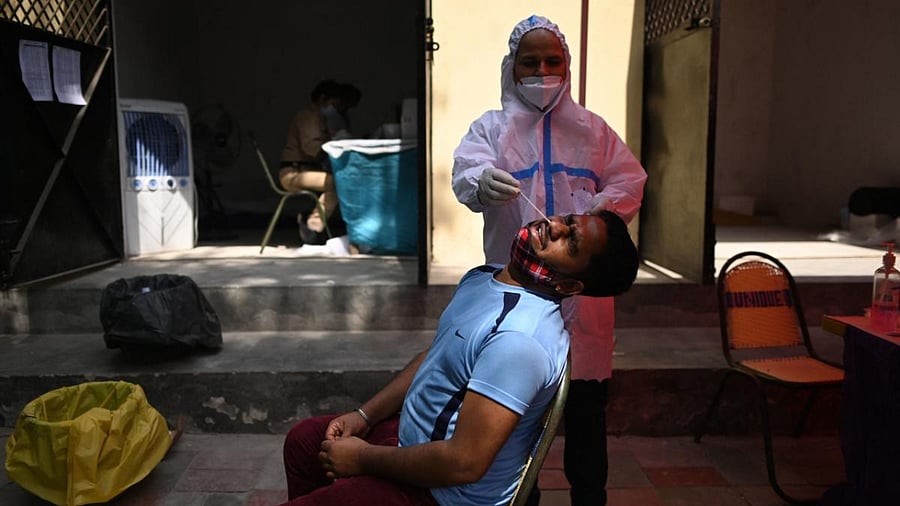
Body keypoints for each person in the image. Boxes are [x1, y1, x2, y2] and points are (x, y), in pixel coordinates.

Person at [279, 211, 639, 506]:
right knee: (304, 442)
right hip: (414, 444)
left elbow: (464, 463)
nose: (555, 226)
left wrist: (361, 458)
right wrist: (363, 416)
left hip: (444, 494)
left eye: (569, 242)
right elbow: (439, 356)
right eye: (570, 220)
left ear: (568, 287)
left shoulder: (520, 340)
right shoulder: (486, 278)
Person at [450, 15, 647, 506]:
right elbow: (465, 171)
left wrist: (598, 209)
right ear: (511, 68)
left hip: (583, 303)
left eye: (552, 61)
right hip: (518, 296)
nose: (542, 71)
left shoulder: (594, 132)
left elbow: (631, 181)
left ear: (568, 65)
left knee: (586, 423)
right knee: (516, 428)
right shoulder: (491, 129)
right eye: (530, 61)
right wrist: (480, 183)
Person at [279, 80, 361, 244]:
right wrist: (335, 141)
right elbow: (312, 149)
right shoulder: (308, 116)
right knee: (339, 183)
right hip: (293, 173)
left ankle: (312, 223)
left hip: (306, 170)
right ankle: (313, 225)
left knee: (342, 180)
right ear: (323, 99)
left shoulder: (320, 116)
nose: (337, 108)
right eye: (334, 103)